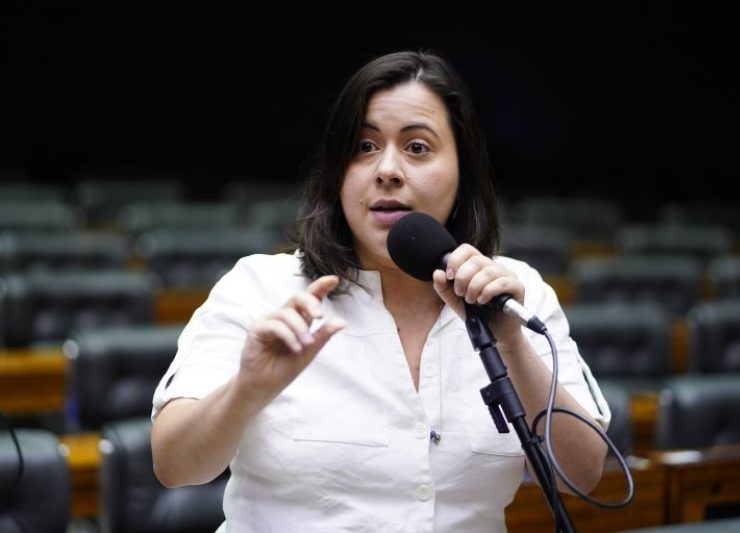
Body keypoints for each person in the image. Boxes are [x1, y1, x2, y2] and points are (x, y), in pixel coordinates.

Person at [151, 50, 611, 532]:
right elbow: (174, 466)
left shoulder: (517, 295)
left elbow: (583, 474)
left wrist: (510, 343)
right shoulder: (259, 288)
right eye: (364, 146)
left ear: (463, 170)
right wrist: (246, 391)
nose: (387, 169)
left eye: (417, 148)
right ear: (338, 171)